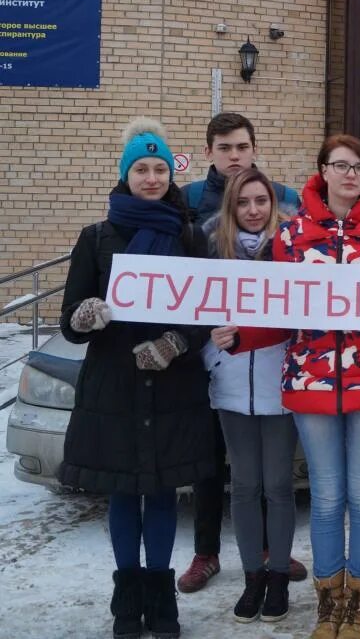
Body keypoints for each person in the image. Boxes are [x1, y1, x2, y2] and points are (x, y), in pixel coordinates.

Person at [212, 134, 360, 639]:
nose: (351, 174)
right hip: (311, 380)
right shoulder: (292, 235)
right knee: (327, 499)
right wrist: (242, 335)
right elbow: (281, 314)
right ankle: (329, 605)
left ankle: (358, 604)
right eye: (340, 165)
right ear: (323, 170)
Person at [59, 118, 216, 639]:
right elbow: (69, 318)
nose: (151, 178)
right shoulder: (96, 236)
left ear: (171, 175)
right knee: (124, 494)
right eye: (141, 169)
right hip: (115, 385)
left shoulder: (191, 236)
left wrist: (175, 343)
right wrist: (86, 317)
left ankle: (161, 595)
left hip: (173, 387)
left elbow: (205, 312)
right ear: (126, 174)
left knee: (166, 494)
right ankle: (127, 595)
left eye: (160, 169)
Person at [178, 111, 303, 594]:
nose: (235, 156)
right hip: (225, 376)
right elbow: (188, 295)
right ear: (210, 151)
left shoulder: (288, 223)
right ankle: (207, 552)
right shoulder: (192, 210)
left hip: (274, 376)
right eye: (226, 148)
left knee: (272, 478)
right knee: (216, 468)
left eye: (242, 148)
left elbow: (308, 299)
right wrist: (209, 346)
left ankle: (272, 554)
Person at [201, 168, 297, 624]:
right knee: (243, 485)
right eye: (244, 202)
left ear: (273, 205)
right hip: (232, 382)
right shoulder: (210, 249)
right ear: (231, 207)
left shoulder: (292, 249)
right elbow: (190, 310)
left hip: (281, 381)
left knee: (278, 485)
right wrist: (211, 354)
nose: (254, 210)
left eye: (261, 201)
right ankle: (252, 576)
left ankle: (278, 574)